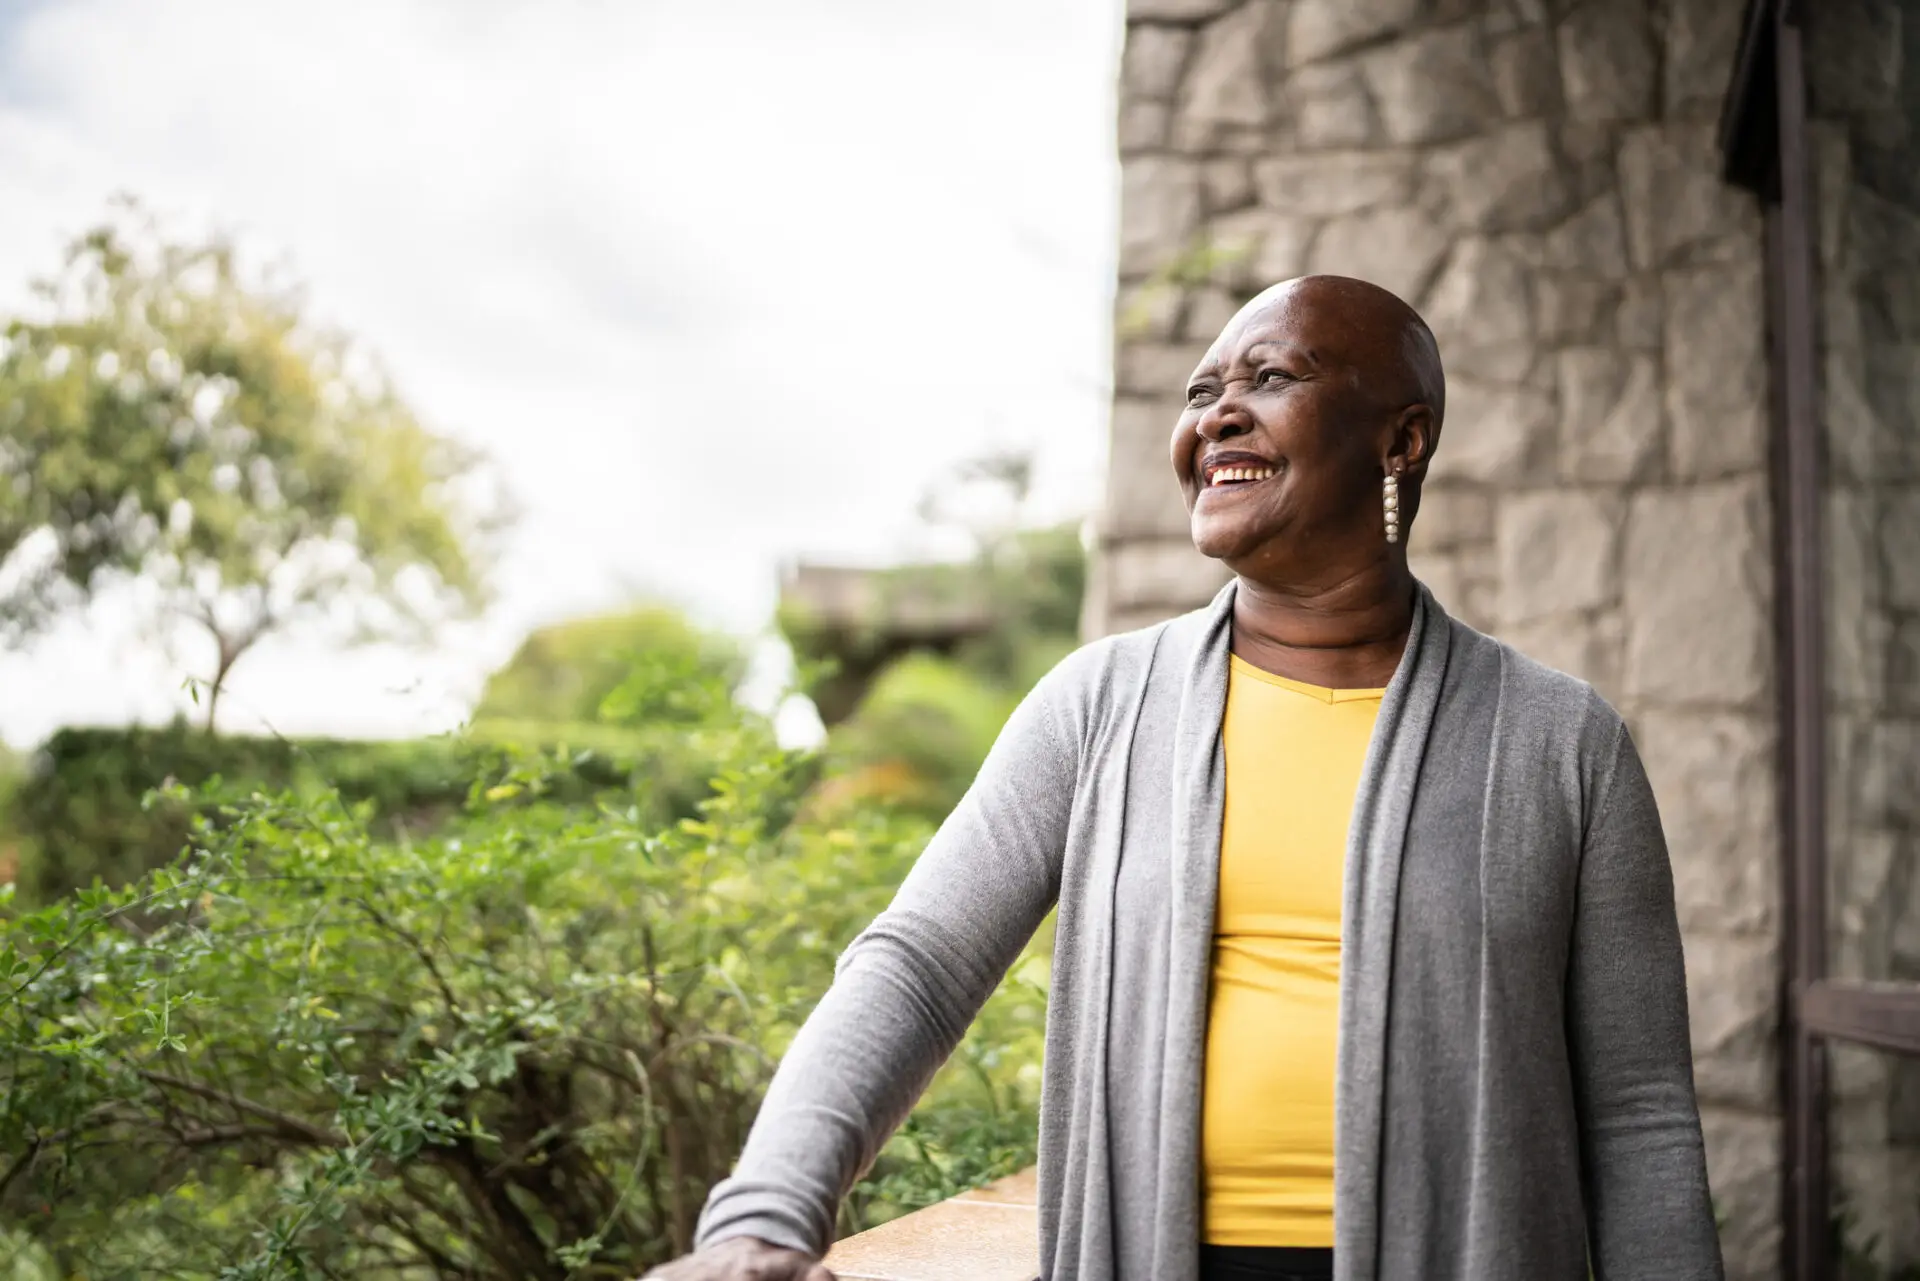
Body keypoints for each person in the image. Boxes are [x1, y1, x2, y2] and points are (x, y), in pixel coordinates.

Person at [644, 276, 1724, 1281]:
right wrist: (767, 1213)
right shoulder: (1099, 706)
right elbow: (918, 964)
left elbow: (1638, 1112)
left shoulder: (1560, 741)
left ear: (1404, 438)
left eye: (1271, 378)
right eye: (1203, 389)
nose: (1217, 414)